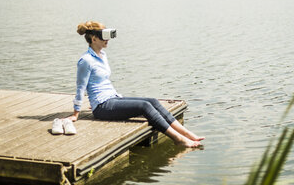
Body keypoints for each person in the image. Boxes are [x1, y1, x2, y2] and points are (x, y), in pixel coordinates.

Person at [68, 21, 204, 148]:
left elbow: (101, 83)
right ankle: (178, 139)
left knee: (152, 101)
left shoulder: (103, 55)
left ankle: (186, 134)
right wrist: (76, 113)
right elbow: (80, 87)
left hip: (113, 98)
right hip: (102, 107)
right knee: (144, 106)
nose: (107, 40)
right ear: (94, 39)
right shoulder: (85, 60)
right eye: (104, 37)